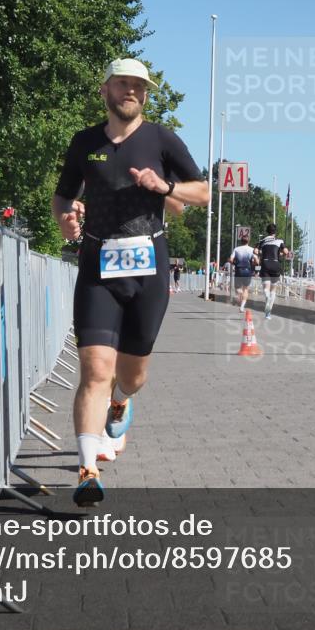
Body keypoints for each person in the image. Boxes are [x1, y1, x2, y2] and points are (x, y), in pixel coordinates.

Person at [53, 58, 210, 505]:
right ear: (105, 90)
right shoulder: (85, 142)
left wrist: (165, 187)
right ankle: (87, 471)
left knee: (132, 374)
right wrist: (65, 219)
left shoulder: (161, 139)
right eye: (123, 84)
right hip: (98, 265)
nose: (131, 92)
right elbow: (64, 194)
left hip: (149, 269)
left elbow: (201, 191)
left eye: (139, 87)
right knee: (94, 370)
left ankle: (121, 401)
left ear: (145, 95)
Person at [257, 223, 290, 319]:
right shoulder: (279, 241)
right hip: (275, 264)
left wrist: (261, 253)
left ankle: (267, 298)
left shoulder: (262, 241)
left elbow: (255, 251)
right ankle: (268, 313)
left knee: (266, 289)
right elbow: (286, 252)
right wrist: (281, 254)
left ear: (267, 231)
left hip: (265, 264)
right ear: (275, 232)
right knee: (273, 289)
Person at [228, 233, 258, 313]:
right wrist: (254, 263)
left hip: (238, 270)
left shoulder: (236, 249)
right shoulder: (252, 250)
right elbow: (257, 262)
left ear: (241, 241)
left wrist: (235, 263)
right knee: (246, 289)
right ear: (248, 241)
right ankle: (242, 307)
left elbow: (230, 260)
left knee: (237, 288)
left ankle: (239, 294)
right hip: (248, 271)